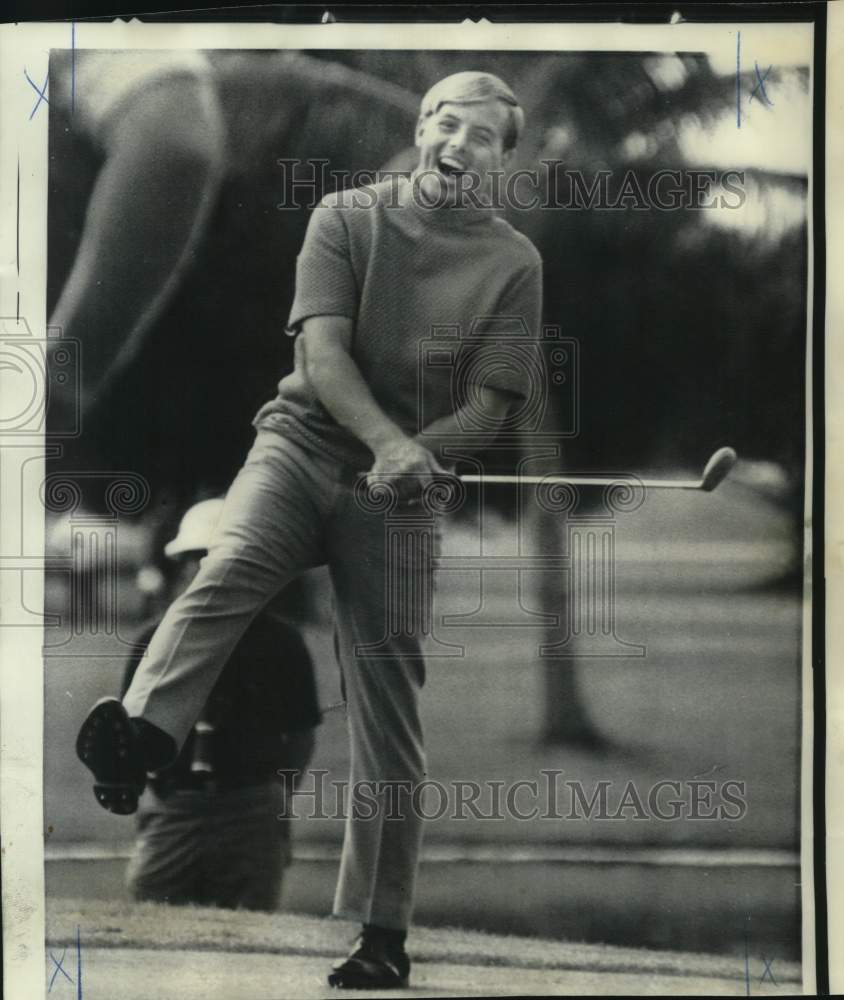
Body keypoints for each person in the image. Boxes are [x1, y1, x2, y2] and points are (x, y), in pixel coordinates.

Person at [77, 70, 543, 989]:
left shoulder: (514, 265)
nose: (456, 143)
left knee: (388, 706)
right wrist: (385, 441)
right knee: (231, 560)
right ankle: (144, 739)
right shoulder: (340, 218)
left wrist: (419, 455)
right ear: (421, 128)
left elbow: (491, 403)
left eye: (481, 134)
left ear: (501, 155)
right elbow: (322, 354)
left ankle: (381, 934)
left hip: (400, 492)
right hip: (301, 443)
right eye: (444, 123)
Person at [118, 498, 321, 911]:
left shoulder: (281, 642)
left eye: (224, 559)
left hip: (250, 808)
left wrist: (277, 800)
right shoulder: (153, 640)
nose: (208, 571)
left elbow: (300, 733)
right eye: (197, 559)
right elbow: (127, 731)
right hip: (175, 806)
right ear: (183, 566)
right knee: (153, 930)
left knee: (249, 940)